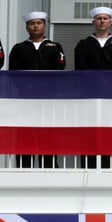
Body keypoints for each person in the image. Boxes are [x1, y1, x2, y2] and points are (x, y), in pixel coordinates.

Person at [74, 6, 112, 169]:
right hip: (89, 95)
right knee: (89, 131)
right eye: (99, 18)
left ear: (110, 22)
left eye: (105, 18)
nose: (102, 21)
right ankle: (88, 165)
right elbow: (80, 68)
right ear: (93, 22)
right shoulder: (84, 44)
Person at [9, 11, 65, 169]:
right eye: (32, 23)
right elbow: (13, 74)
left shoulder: (55, 47)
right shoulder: (19, 48)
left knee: (48, 132)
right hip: (25, 100)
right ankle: (23, 166)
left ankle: (49, 167)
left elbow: (59, 70)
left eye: (39, 23)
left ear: (44, 26)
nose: (35, 26)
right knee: (25, 132)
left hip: (48, 99)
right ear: (27, 27)